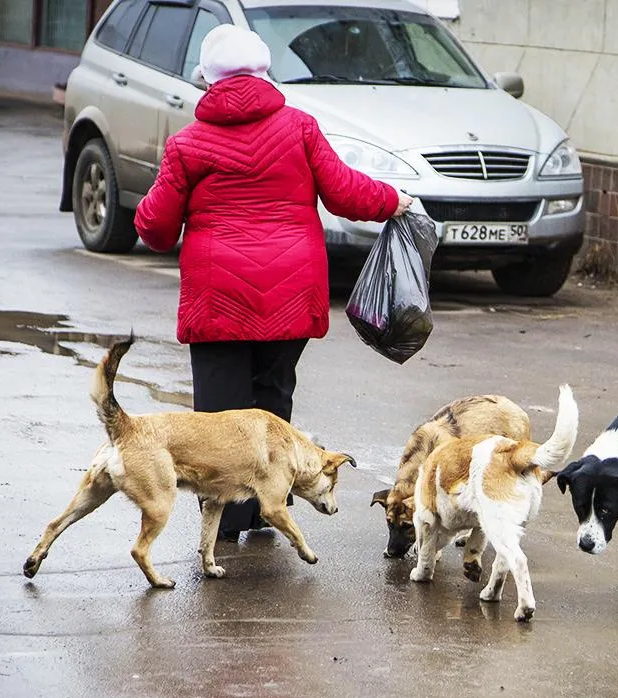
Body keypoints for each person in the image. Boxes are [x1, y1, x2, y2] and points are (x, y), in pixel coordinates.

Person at [133, 24, 413, 541]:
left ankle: (227, 523)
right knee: (272, 401)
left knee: (219, 417)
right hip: (291, 294)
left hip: (218, 302)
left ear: (207, 80)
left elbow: (154, 228)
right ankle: (266, 507)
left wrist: (159, 200)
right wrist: (393, 200)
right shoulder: (300, 128)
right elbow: (346, 193)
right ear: (264, 72)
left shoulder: (187, 145)